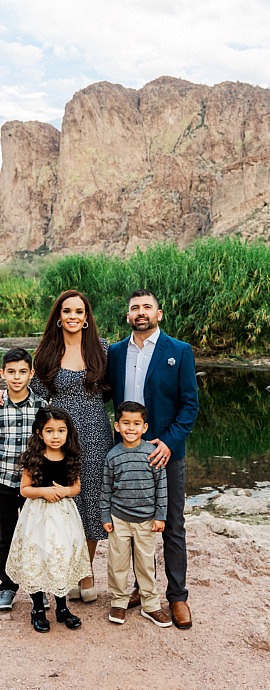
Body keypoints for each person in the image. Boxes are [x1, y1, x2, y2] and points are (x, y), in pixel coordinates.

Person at [107, 289, 199, 630]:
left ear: (159, 314)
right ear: (129, 315)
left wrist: (171, 443)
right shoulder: (115, 353)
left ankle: (177, 597)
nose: (140, 312)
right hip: (126, 454)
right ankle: (139, 588)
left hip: (165, 454)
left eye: (147, 307)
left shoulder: (180, 351)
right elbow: (94, 389)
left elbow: (190, 405)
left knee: (172, 525)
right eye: (134, 308)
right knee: (130, 525)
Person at [31, 289, 113, 602]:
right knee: (64, 504)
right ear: (59, 317)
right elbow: (36, 394)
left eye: (79, 312)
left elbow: (110, 390)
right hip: (58, 437)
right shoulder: (47, 353)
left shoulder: (102, 350)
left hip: (95, 433)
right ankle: (62, 568)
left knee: (92, 501)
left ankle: (85, 570)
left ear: (87, 318)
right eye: (67, 311)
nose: (73, 317)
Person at [6, 405, 92, 633]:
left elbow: (76, 487)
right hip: (37, 516)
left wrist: (64, 491)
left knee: (60, 557)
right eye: (50, 431)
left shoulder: (70, 456)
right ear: (39, 433)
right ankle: (37, 608)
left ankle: (62, 608)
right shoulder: (33, 458)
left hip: (63, 516)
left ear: (68, 432)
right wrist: (43, 491)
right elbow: (24, 490)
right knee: (38, 557)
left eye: (61, 431)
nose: (56, 436)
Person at [100, 401, 171, 628]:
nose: (131, 428)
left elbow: (161, 486)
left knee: (145, 564)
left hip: (146, 521)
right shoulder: (113, 455)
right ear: (117, 426)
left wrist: (160, 516)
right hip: (119, 518)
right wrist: (105, 516)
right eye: (126, 423)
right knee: (117, 563)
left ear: (145, 427)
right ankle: (119, 601)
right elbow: (106, 488)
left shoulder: (152, 454)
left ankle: (151, 604)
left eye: (136, 424)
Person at [0, 348, 46, 611]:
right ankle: (7, 585)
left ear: (31, 373)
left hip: (33, 484)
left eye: (22, 372)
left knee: (36, 536)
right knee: (5, 535)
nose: (16, 378)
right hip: (3, 481)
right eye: (11, 372)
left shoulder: (41, 406)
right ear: (2, 374)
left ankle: (38, 590)